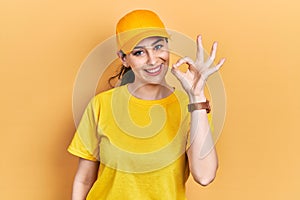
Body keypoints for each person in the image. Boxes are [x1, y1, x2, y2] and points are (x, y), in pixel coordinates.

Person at [68, 9, 225, 200]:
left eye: (158, 47)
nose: (152, 60)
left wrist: (197, 96)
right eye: (139, 52)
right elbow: (84, 179)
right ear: (123, 58)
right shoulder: (101, 104)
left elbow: (205, 176)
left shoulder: (192, 108)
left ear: (168, 46)